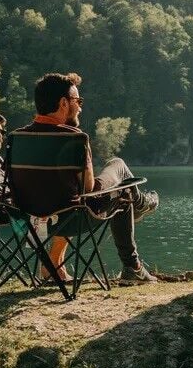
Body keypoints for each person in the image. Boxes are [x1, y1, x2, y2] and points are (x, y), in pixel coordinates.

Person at [12, 72, 159, 284]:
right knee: (120, 175)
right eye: (77, 101)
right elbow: (89, 189)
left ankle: (140, 206)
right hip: (71, 219)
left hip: (27, 221)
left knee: (84, 193)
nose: (80, 107)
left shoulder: (16, 139)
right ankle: (135, 252)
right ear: (64, 103)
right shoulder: (75, 139)